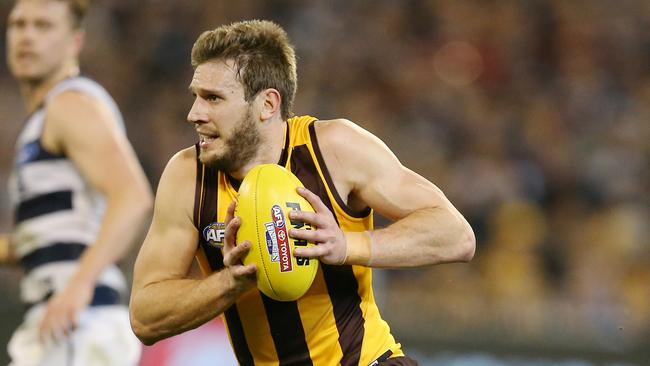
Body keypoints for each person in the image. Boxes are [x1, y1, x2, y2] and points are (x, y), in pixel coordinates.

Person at [130, 19, 475, 366]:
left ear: (267, 104)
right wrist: (229, 283)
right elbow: (145, 317)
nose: (194, 114)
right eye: (196, 97)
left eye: (213, 99)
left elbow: (456, 235)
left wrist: (346, 245)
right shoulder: (187, 176)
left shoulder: (334, 149)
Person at [1, 0, 153, 365]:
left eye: (43, 26)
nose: (27, 36)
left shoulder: (71, 104)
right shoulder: (41, 124)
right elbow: (58, 239)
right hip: (60, 323)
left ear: (75, 41)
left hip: (80, 325)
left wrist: (78, 286)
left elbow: (132, 197)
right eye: (18, 24)